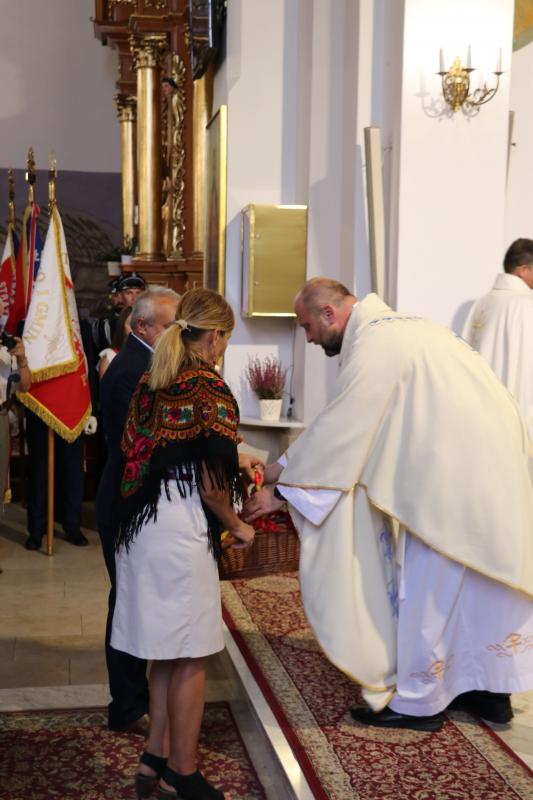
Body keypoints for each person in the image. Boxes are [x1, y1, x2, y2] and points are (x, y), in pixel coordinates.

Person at [243, 277, 533, 732]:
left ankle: (419, 703)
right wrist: (281, 467)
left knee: (431, 589)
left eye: (307, 326)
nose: (309, 338)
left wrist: (278, 493)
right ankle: (489, 692)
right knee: (479, 585)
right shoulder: (400, 329)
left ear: (328, 313)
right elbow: (342, 417)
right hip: (490, 465)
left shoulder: (377, 343)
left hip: (450, 480)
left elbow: (343, 431)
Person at [111, 288, 255, 799]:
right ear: (214, 335)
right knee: (191, 654)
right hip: (178, 530)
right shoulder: (207, 385)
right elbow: (213, 485)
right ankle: (183, 771)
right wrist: (238, 525)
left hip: (141, 527)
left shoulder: (154, 378)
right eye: (226, 339)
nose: (224, 348)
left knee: (165, 651)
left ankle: (155, 755)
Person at [97, 285, 180, 735]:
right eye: (170, 326)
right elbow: (145, 444)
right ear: (142, 325)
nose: (176, 334)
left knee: (134, 602)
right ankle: (127, 706)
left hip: (133, 499)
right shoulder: (133, 369)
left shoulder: (147, 362)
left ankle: (136, 700)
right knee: (128, 604)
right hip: (125, 502)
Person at [24, 316, 98, 550]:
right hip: (41, 406)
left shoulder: (79, 325)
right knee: (39, 470)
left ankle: (72, 525)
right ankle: (37, 529)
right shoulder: (30, 322)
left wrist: (92, 409)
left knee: (73, 470)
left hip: (73, 405)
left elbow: (88, 366)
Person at [462, 238, 533, 437]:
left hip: (479, 416)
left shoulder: (481, 304)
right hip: (516, 419)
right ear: (523, 270)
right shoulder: (526, 304)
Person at [97, 306, 132, 381]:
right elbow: (106, 387)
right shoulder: (110, 356)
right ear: (122, 327)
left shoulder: (147, 353)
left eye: (140, 324)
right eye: (131, 324)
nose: (136, 329)